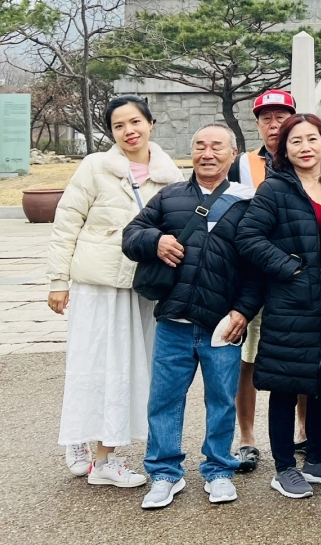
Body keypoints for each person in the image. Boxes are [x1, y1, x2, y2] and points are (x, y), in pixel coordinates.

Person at [121, 124, 263, 508]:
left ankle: (219, 470)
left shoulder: (248, 202)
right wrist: (156, 240)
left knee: (222, 401)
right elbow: (131, 236)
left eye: (217, 146)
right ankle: (164, 473)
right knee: (165, 400)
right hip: (174, 321)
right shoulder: (169, 197)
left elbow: (256, 269)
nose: (207, 153)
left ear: (233, 154)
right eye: (200, 145)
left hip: (222, 324)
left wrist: (243, 311)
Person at [46, 95, 182, 490]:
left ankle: (98, 449)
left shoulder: (170, 175)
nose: (129, 131)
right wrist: (58, 279)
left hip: (143, 287)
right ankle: (90, 447)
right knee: (93, 364)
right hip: (98, 284)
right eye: (119, 125)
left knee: (132, 369)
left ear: (150, 123)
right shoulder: (95, 167)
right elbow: (66, 222)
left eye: (135, 121)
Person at [234, 112, 321, 500]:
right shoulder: (276, 189)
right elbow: (248, 237)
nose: (305, 147)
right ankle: (284, 467)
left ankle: (316, 458)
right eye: (295, 141)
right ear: (284, 148)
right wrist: (292, 269)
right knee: (287, 382)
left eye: (312, 139)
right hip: (292, 298)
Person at [228, 89, 298, 476]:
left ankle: (304, 430)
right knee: (248, 359)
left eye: (280, 117)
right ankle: (247, 438)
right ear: (256, 124)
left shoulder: (305, 157)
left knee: (303, 355)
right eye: (266, 118)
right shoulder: (243, 164)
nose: (274, 125)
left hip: (297, 277)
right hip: (254, 275)